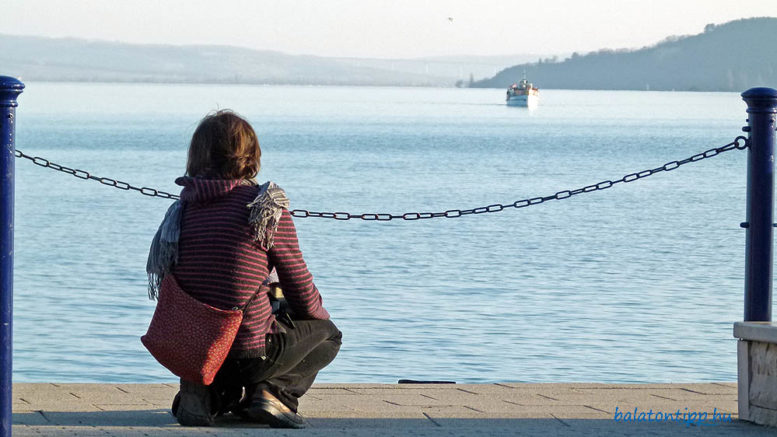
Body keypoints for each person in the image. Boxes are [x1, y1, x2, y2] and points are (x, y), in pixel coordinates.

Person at [146, 110, 341, 428]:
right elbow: (302, 294)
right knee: (327, 333)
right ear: (251, 154)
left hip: (192, 349)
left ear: (196, 155)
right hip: (249, 354)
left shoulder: (181, 209)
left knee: (257, 311)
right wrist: (310, 314)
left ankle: (206, 394)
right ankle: (273, 394)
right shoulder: (264, 207)